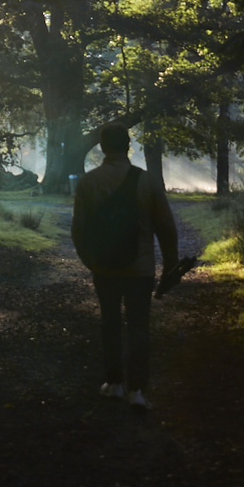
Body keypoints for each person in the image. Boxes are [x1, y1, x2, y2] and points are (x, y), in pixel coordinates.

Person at [71, 122, 178, 413]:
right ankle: (137, 390)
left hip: (104, 268)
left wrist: (89, 260)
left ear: (102, 147)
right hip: (140, 269)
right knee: (139, 326)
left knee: (110, 324)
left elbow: (78, 230)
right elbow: (167, 229)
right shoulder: (147, 182)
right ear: (128, 145)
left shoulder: (88, 182)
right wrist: (170, 266)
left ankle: (114, 383)